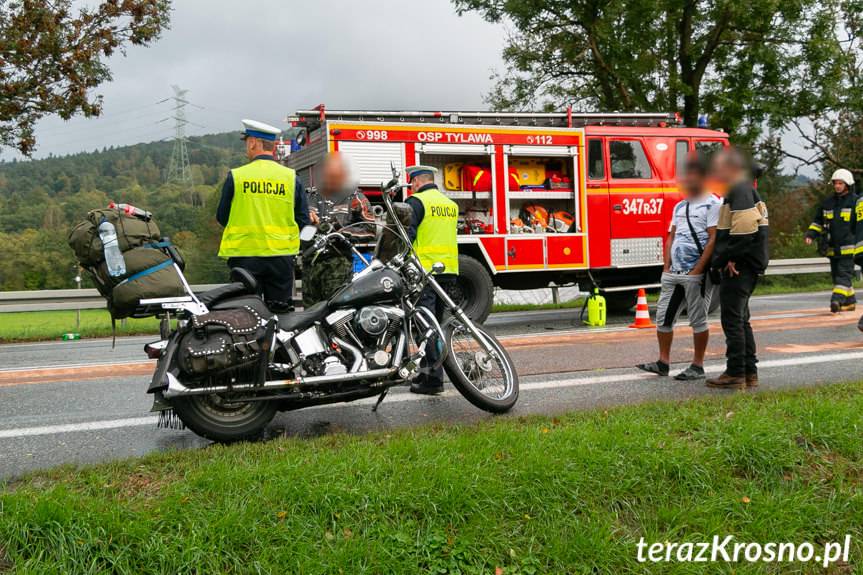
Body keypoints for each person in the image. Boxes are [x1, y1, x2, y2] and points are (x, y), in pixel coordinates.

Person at [636, 151, 720, 380]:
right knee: (663, 319)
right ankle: (663, 362)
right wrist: (666, 267)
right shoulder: (680, 206)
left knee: (698, 320)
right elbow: (671, 237)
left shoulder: (713, 204)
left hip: (697, 275)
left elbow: (714, 238)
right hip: (673, 273)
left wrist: (698, 270)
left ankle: (698, 365)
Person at [216, 119, 310, 312]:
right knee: (281, 315)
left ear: (253, 143)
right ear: (272, 146)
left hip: (244, 257)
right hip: (281, 258)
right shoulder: (291, 177)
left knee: (246, 315)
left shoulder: (237, 176)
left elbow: (222, 217)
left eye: (246, 142)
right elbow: (304, 222)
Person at [705, 148, 770, 390]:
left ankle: (735, 373)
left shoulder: (740, 189)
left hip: (739, 267)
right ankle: (749, 372)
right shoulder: (746, 190)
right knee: (742, 321)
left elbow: (744, 230)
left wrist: (729, 258)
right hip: (747, 265)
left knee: (733, 321)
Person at [404, 165, 459, 395]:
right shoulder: (450, 204)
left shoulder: (416, 202)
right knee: (437, 326)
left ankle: (432, 380)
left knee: (425, 328)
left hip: (425, 273)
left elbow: (407, 236)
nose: (411, 187)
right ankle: (433, 374)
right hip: (449, 272)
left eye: (411, 183)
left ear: (416, 182)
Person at [302, 153, 376, 307]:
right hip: (311, 267)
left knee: (336, 313)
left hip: (338, 266)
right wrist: (307, 224)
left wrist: (340, 231)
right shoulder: (308, 197)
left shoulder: (355, 197)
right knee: (309, 317)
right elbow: (300, 233)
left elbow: (370, 230)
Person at [805, 169, 857, 312]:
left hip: (850, 248)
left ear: (848, 184)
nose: (837, 186)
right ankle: (849, 302)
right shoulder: (827, 203)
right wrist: (810, 235)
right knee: (837, 277)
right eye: (835, 183)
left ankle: (836, 300)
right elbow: (818, 222)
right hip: (831, 247)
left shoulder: (856, 202)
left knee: (843, 276)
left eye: (841, 183)